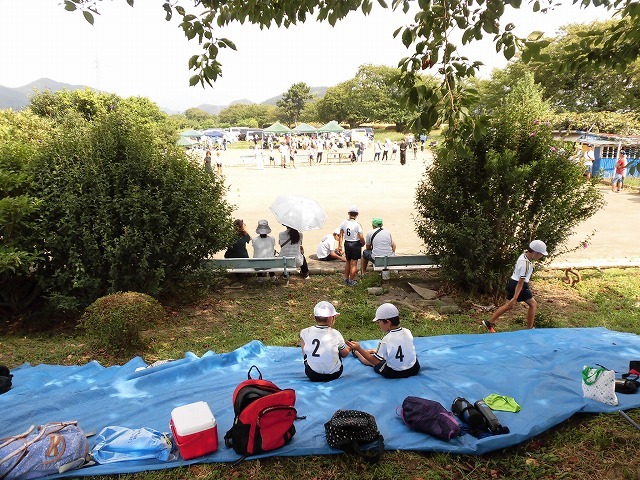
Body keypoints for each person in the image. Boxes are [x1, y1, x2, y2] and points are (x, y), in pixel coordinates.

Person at [483, 239, 548, 332]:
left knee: (508, 306)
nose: (542, 256)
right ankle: (530, 329)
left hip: (512, 282)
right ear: (534, 252)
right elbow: (521, 282)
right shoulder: (526, 264)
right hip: (519, 286)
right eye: (541, 254)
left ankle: (489, 323)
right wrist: (515, 298)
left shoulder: (523, 256)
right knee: (533, 305)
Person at [347, 303, 420, 379]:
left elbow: (374, 361)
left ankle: (356, 352)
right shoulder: (407, 331)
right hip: (414, 369)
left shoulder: (386, 339)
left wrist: (359, 348)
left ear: (388, 322)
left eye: (379, 321)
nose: (379, 324)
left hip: (395, 373)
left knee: (373, 362)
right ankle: (374, 351)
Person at [299, 301, 352, 382]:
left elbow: (305, 351)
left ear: (315, 317)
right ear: (331, 318)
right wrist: (349, 348)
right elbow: (344, 354)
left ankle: (310, 361)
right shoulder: (336, 334)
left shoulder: (305, 332)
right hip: (334, 375)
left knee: (304, 344)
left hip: (312, 375)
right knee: (338, 350)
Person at [338, 205, 365, 286]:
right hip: (355, 244)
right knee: (354, 263)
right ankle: (351, 280)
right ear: (357, 214)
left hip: (347, 243)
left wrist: (340, 245)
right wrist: (363, 243)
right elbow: (361, 236)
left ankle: (346, 278)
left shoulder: (344, 222)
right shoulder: (357, 224)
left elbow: (341, 234)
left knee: (348, 262)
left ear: (348, 213)